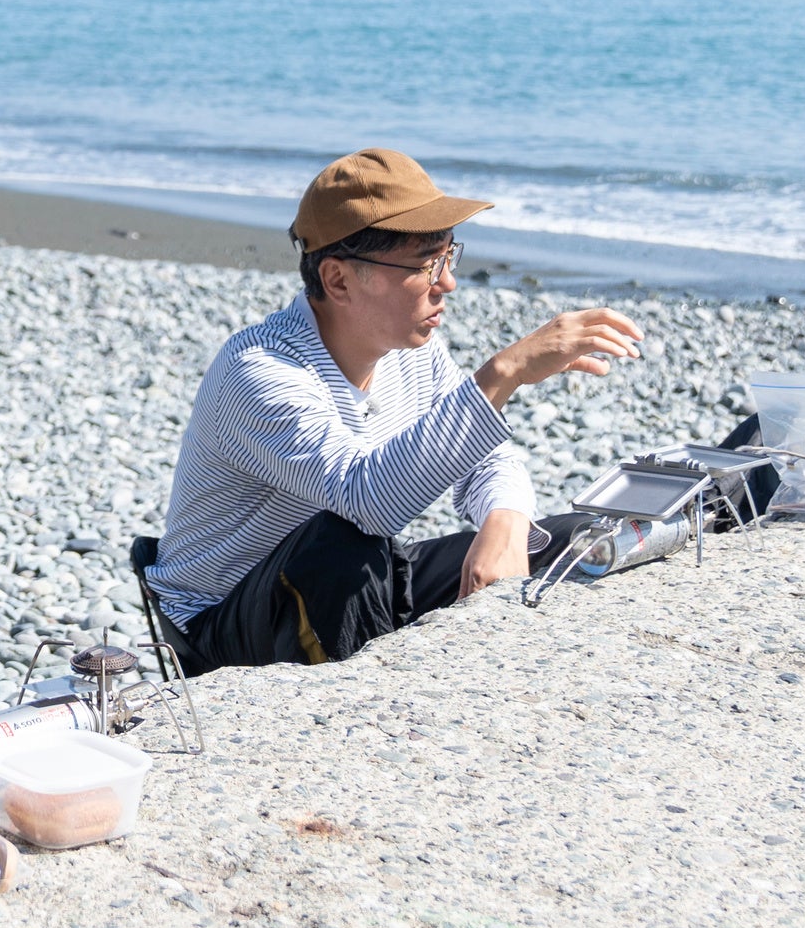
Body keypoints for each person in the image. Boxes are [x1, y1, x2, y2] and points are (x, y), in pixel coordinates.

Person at [145, 148, 643, 673]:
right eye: (427, 263)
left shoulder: (414, 352)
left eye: (450, 256)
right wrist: (506, 371)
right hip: (222, 624)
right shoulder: (259, 371)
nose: (447, 282)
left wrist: (506, 521)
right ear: (338, 280)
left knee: (570, 544)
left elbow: (485, 458)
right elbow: (368, 500)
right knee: (343, 544)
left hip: (351, 580)